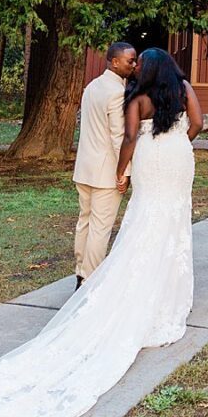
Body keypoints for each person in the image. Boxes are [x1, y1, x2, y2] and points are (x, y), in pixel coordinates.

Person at [0, 47, 204, 417]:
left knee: (145, 220)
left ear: (148, 69)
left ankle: (104, 280)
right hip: (178, 158)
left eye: (140, 63)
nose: (135, 66)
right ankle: (167, 296)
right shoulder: (185, 88)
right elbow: (198, 124)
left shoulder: (136, 98)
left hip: (151, 159)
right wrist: (178, 142)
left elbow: (127, 138)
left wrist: (124, 169)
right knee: (173, 222)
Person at [71, 42, 137, 287]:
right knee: (100, 227)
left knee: (84, 222)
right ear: (114, 61)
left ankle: (80, 272)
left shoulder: (91, 87)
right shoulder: (117, 93)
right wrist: (124, 172)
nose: (134, 65)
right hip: (105, 172)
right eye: (130, 60)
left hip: (84, 168)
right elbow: (119, 137)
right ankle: (90, 280)